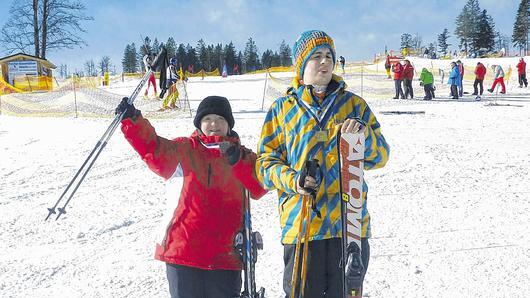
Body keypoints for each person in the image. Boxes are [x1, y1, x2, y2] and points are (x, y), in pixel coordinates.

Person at [256, 30, 390, 298]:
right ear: (302, 64)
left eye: (329, 55)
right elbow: (264, 165)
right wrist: (294, 180)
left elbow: (381, 155)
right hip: (302, 226)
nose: (324, 61)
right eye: (316, 56)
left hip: (349, 226)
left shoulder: (353, 105)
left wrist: (362, 138)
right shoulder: (282, 110)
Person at [115, 95, 267, 298]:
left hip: (226, 256)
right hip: (183, 252)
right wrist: (133, 121)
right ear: (199, 124)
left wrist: (238, 161)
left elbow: (259, 187)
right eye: (208, 119)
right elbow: (152, 147)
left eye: (221, 119)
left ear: (229, 124)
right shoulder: (182, 150)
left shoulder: (243, 156)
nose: (214, 124)